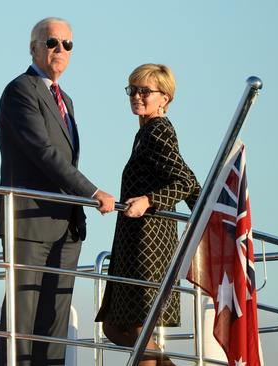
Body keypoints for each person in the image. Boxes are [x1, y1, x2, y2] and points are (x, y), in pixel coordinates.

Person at [0, 17, 115, 366]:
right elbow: (44, 153)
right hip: (29, 224)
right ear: (33, 48)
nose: (60, 50)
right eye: (52, 42)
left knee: (55, 322)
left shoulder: (67, 101)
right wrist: (92, 191)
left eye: (67, 44)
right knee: (23, 318)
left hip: (66, 226)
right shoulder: (20, 91)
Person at [94, 64, 200, 366]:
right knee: (115, 326)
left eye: (145, 91)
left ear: (164, 98)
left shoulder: (158, 130)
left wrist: (149, 200)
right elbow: (189, 180)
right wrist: (202, 210)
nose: (137, 96)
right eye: (133, 90)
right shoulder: (146, 132)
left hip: (148, 246)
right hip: (133, 243)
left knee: (138, 329)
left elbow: (184, 182)